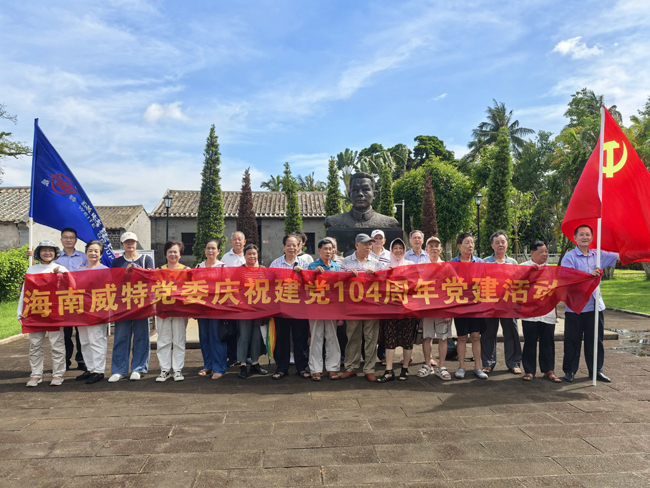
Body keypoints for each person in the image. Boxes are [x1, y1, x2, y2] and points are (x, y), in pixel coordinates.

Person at [561, 225, 618, 383]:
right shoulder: (569, 257)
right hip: (576, 307)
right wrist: (588, 276)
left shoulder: (598, 255)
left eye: (587, 234)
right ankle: (570, 371)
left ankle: (596, 370)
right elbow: (568, 278)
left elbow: (619, 257)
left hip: (595, 306)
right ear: (575, 238)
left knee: (595, 341)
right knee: (572, 340)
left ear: (592, 237)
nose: (584, 237)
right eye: (581, 235)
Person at [29, 228, 88, 371]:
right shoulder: (55, 258)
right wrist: (31, 258)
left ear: (76, 240)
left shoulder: (83, 257)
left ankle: (82, 360)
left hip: (79, 299)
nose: (68, 240)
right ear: (61, 240)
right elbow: (40, 273)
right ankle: (65, 361)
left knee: (81, 332)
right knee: (64, 333)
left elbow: (90, 274)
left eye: (71, 237)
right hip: (60, 301)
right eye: (65, 237)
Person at [18, 241, 68, 387]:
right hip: (35, 313)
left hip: (54, 314)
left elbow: (71, 285)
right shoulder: (31, 270)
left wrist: (63, 274)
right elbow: (25, 292)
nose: (47, 253)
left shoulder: (60, 268)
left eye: (50, 250)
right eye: (44, 250)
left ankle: (58, 374)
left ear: (55, 253)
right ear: (39, 253)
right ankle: (36, 375)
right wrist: (20, 311)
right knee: (35, 345)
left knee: (57, 345)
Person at [108, 232, 154, 383]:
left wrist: (138, 270)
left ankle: (138, 368)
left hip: (141, 304)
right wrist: (125, 273)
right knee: (121, 336)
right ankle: (119, 370)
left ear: (136, 243)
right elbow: (113, 282)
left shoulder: (146, 259)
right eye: (127, 242)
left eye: (132, 242)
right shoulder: (117, 262)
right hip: (123, 304)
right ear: (122, 245)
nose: (130, 244)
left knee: (142, 336)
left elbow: (151, 279)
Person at [377, 238, 420, 383]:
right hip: (390, 310)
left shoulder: (410, 264)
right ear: (391, 250)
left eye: (401, 248)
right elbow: (378, 285)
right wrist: (385, 274)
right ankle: (389, 370)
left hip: (407, 309)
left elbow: (416, 283)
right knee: (390, 339)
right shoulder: (385, 266)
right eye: (395, 248)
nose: (398, 250)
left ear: (404, 250)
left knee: (407, 340)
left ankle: (405, 368)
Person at [340, 234, 381, 382]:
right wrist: (347, 276)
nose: (368, 247)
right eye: (365, 244)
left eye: (370, 244)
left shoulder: (376, 263)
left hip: (371, 306)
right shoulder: (346, 261)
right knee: (353, 336)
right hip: (353, 306)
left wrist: (376, 275)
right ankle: (351, 367)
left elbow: (382, 283)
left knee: (371, 337)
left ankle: (369, 369)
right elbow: (338, 282)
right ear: (357, 245)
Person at [481, 230, 523, 375]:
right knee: (488, 333)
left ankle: (513, 363)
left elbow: (518, 284)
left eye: (502, 242)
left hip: (508, 305)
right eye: (497, 242)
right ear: (492, 245)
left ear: (507, 244)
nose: (500, 244)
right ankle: (488, 363)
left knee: (511, 332)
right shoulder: (485, 262)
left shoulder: (513, 263)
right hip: (490, 304)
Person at [269, 234, 310, 380]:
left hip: (300, 307)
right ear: (284, 247)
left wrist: (302, 274)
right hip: (282, 306)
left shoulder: (305, 264)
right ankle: (281, 368)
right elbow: (269, 284)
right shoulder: (275, 263)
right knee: (282, 337)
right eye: (289, 245)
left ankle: (302, 367)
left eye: (294, 245)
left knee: (300, 337)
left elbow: (310, 285)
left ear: (299, 247)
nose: (291, 248)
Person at [521, 241, 561, 382]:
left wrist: (555, 309)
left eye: (546, 252)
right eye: (541, 252)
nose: (545, 254)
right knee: (530, 341)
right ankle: (529, 371)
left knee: (548, 342)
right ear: (532, 253)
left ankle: (548, 370)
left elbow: (555, 292)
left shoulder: (551, 270)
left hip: (547, 312)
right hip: (529, 313)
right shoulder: (523, 267)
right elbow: (515, 286)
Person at [449, 233, 488, 380]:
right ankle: (461, 367)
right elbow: (447, 284)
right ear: (459, 246)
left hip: (476, 305)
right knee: (462, 337)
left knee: (476, 336)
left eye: (472, 242)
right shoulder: (452, 263)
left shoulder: (480, 262)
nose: (470, 245)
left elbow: (486, 281)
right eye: (467, 243)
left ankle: (478, 367)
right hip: (460, 306)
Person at [418, 236, 453, 381]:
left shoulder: (447, 267)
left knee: (443, 338)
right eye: (430, 246)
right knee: (427, 337)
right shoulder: (420, 266)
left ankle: (442, 367)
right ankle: (427, 364)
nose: (434, 248)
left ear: (441, 249)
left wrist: (448, 310)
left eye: (436, 246)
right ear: (426, 249)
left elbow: (453, 289)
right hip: (427, 308)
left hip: (442, 309)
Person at [307, 239, 342, 381]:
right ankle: (315, 369)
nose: (328, 251)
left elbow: (341, 286)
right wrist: (314, 274)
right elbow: (306, 285)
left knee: (332, 337)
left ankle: (332, 368)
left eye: (330, 249)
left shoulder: (337, 267)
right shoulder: (312, 266)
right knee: (316, 337)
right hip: (316, 307)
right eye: (325, 249)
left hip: (331, 307)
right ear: (319, 251)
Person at [75, 240, 109, 385]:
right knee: (84, 341)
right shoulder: (79, 270)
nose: (93, 253)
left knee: (97, 340)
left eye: (96, 251)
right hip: (82, 311)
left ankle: (99, 371)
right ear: (86, 253)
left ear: (101, 254)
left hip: (98, 311)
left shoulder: (105, 270)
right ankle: (90, 369)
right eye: (90, 250)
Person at [155, 241, 189, 383]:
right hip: (163, 310)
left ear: (180, 254)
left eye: (175, 252)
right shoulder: (158, 270)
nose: (173, 254)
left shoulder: (187, 271)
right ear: (165, 254)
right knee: (163, 340)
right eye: (170, 252)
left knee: (179, 340)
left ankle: (177, 369)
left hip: (180, 311)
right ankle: (164, 370)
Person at [195, 239, 228, 380]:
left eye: (213, 248)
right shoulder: (198, 267)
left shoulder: (223, 267)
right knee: (204, 337)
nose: (210, 251)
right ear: (204, 250)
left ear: (218, 251)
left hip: (217, 308)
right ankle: (208, 365)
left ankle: (219, 367)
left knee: (217, 337)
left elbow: (228, 287)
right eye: (208, 248)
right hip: (202, 308)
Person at [237, 243, 268, 379]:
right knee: (244, 336)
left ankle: (255, 363)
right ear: (244, 256)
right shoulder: (239, 271)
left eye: (254, 253)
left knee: (257, 337)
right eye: (249, 254)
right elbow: (234, 289)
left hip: (259, 310)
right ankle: (243, 364)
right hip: (244, 310)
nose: (252, 256)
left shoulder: (264, 270)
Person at [220, 232, 245, 367]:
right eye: (235, 239)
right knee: (231, 328)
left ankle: (244, 356)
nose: (237, 242)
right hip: (230, 298)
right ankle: (232, 356)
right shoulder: (226, 257)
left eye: (240, 239)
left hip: (246, 299)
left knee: (244, 329)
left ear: (244, 242)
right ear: (230, 242)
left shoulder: (249, 255)